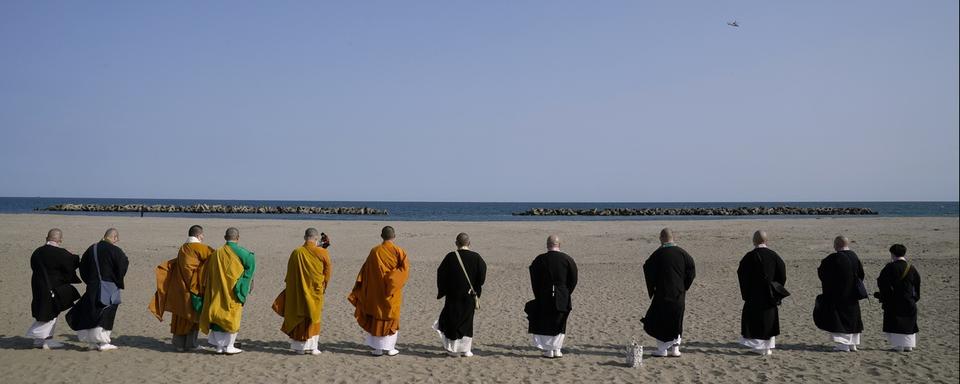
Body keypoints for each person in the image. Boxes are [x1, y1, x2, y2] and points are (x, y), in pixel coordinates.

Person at [148, 225, 215, 351]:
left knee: (179, 315)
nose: (203, 237)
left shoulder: (183, 248)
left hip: (179, 285)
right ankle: (191, 344)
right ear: (199, 235)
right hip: (193, 287)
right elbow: (214, 258)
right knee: (192, 315)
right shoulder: (200, 248)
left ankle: (179, 344)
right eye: (202, 235)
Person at [347, 226, 410, 356]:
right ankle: (390, 348)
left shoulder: (375, 251)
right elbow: (404, 272)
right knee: (391, 316)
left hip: (376, 291)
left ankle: (377, 349)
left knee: (377, 316)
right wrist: (392, 281)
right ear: (394, 236)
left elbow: (365, 271)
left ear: (382, 236)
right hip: (392, 292)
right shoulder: (399, 251)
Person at [66, 228, 129, 351]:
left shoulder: (92, 249)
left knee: (91, 312)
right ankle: (104, 343)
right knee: (106, 312)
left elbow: (82, 267)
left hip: (93, 285)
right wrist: (118, 280)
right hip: (109, 286)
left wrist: (90, 281)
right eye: (117, 239)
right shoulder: (115, 250)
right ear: (114, 237)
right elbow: (123, 265)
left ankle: (92, 343)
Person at [198, 227, 256, 355]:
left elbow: (208, 272)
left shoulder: (216, 253)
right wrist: (244, 284)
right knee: (231, 317)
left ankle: (219, 347)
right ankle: (229, 346)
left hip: (217, 290)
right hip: (233, 291)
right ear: (238, 238)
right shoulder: (243, 253)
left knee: (217, 316)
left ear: (225, 238)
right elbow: (250, 266)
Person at [277, 228, 332, 355]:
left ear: (304, 237)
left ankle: (299, 348)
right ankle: (313, 348)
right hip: (315, 290)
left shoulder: (296, 252)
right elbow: (327, 271)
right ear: (316, 238)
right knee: (314, 316)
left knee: (300, 315)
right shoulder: (322, 252)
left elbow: (290, 274)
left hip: (298, 290)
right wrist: (324, 285)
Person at [642, 228, 696, 357]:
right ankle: (675, 350)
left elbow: (647, 268)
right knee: (676, 320)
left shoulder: (658, 254)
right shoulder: (683, 253)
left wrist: (653, 286)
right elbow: (691, 271)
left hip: (663, 292)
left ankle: (662, 350)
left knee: (661, 320)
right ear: (673, 237)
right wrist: (684, 286)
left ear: (661, 238)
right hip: (678, 293)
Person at [434, 232, 487, 357]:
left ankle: (452, 349)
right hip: (469, 294)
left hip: (453, 294)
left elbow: (441, 273)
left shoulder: (450, 257)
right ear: (469, 243)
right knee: (467, 321)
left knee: (452, 320)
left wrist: (443, 290)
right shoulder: (477, 257)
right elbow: (482, 277)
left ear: (456, 243)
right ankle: (466, 349)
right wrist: (476, 288)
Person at [26, 228, 81, 349]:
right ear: (60, 240)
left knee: (42, 310)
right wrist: (73, 256)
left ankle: (38, 341)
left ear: (46, 238)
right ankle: (47, 341)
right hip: (53, 287)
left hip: (37, 285)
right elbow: (72, 263)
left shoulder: (36, 252)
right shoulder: (60, 253)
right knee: (51, 312)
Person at [524, 235, 578, 358]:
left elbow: (534, 278)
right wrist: (566, 291)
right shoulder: (567, 259)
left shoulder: (540, 260)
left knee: (546, 321)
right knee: (560, 321)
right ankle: (557, 349)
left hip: (544, 294)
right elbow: (574, 279)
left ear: (547, 245)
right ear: (559, 245)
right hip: (562, 293)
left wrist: (538, 292)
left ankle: (549, 350)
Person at [737, 230, 786, 356]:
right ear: (766, 240)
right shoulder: (774, 255)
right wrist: (777, 288)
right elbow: (782, 273)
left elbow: (741, 274)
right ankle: (768, 347)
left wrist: (746, 292)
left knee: (754, 320)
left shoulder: (749, 256)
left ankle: (758, 348)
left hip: (754, 294)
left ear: (754, 241)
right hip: (770, 294)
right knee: (769, 320)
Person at [814, 236, 866, 352]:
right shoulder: (854, 256)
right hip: (853, 294)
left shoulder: (834, 258)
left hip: (838, 293)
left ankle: (843, 345)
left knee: (840, 319)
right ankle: (853, 344)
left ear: (836, 245)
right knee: (853, 317)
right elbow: (861, 275)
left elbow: (823, 273)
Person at [875, 244, 921, 352]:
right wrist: (914, 298)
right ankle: (909, 345)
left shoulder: (890, 267)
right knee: (909, 324)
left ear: (892, 253)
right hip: (909, 301)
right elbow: (917, 285)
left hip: (894, 301)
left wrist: (883, 297)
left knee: (895, 323)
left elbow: (882, 283)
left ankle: (898, 346)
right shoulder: (911, 268)